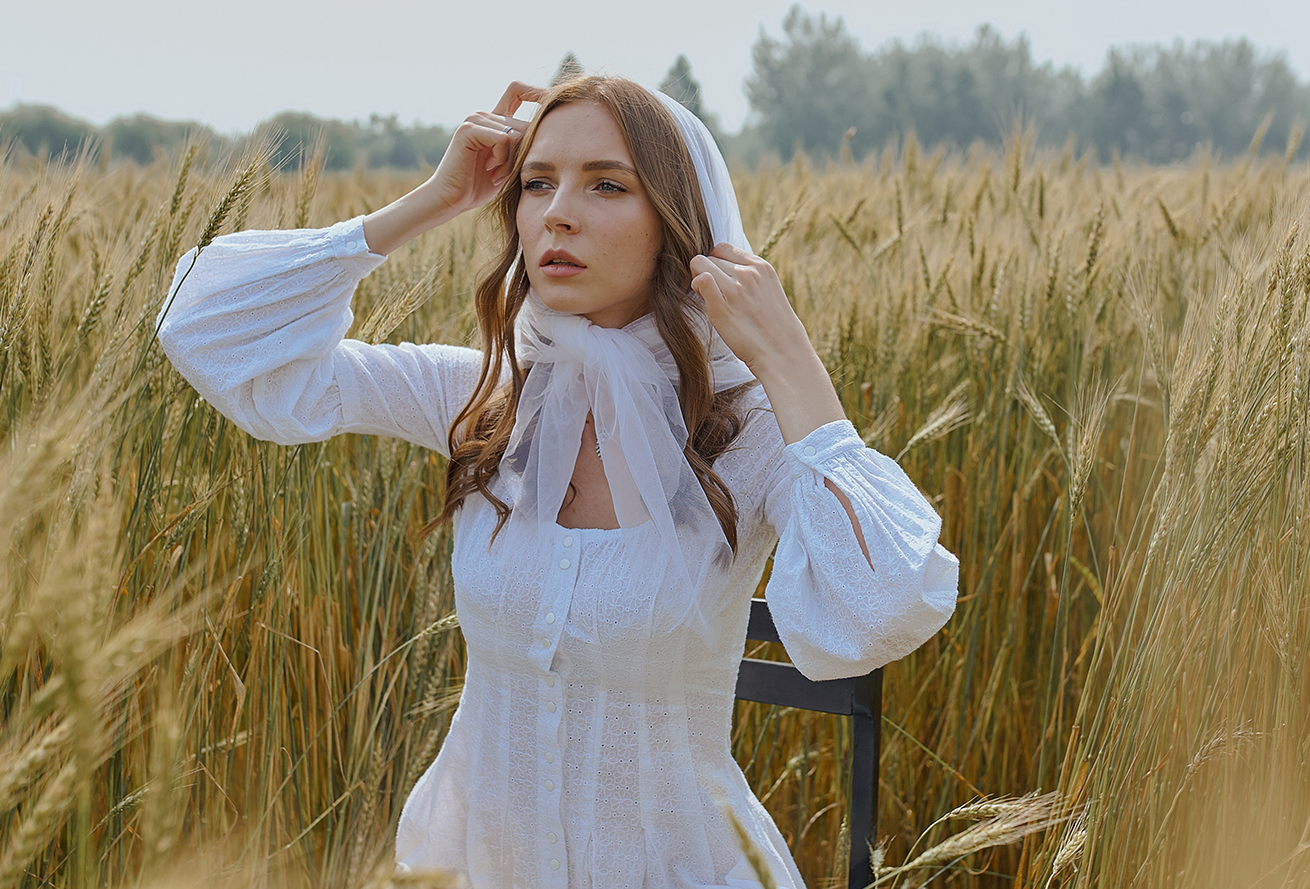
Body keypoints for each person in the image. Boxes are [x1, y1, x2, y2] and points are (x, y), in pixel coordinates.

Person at [157, 73, 958, 889]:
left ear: (681, 225)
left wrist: (787, 358)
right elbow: (200, 324)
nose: (556, 213)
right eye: (536, 183)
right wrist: (432, 200)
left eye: (607, 184)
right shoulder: (481, 401)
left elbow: (889, 601)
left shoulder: (744, 436)